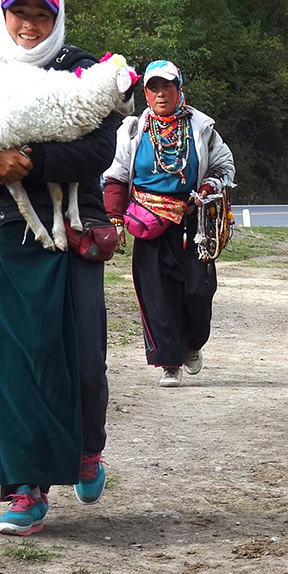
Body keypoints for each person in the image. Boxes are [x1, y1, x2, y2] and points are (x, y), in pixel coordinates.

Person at [0, 0, 137, 536]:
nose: (30, 23)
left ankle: (86, 446)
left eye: (41, 13)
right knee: (7, 367)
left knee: (79, 360)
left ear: (57, 17)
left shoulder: (82, 70)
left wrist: (35, 162)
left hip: (64, 236)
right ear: (3, 14)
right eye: (20, 12)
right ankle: (24, 488)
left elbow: (98, 148)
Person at [102, 60, 236, 388]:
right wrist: (115, 218)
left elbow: (224, 164)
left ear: (179, 89)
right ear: (145, 93)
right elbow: (117, 175)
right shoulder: (132, 130)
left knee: (198, 291)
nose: (161, 94)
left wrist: (209, 187)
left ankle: (192, 344)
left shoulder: (201, 127)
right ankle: (169, 363)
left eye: (167, 86)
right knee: (157, 295)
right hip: (148, 224)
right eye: (153, 88)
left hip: (193, 223)